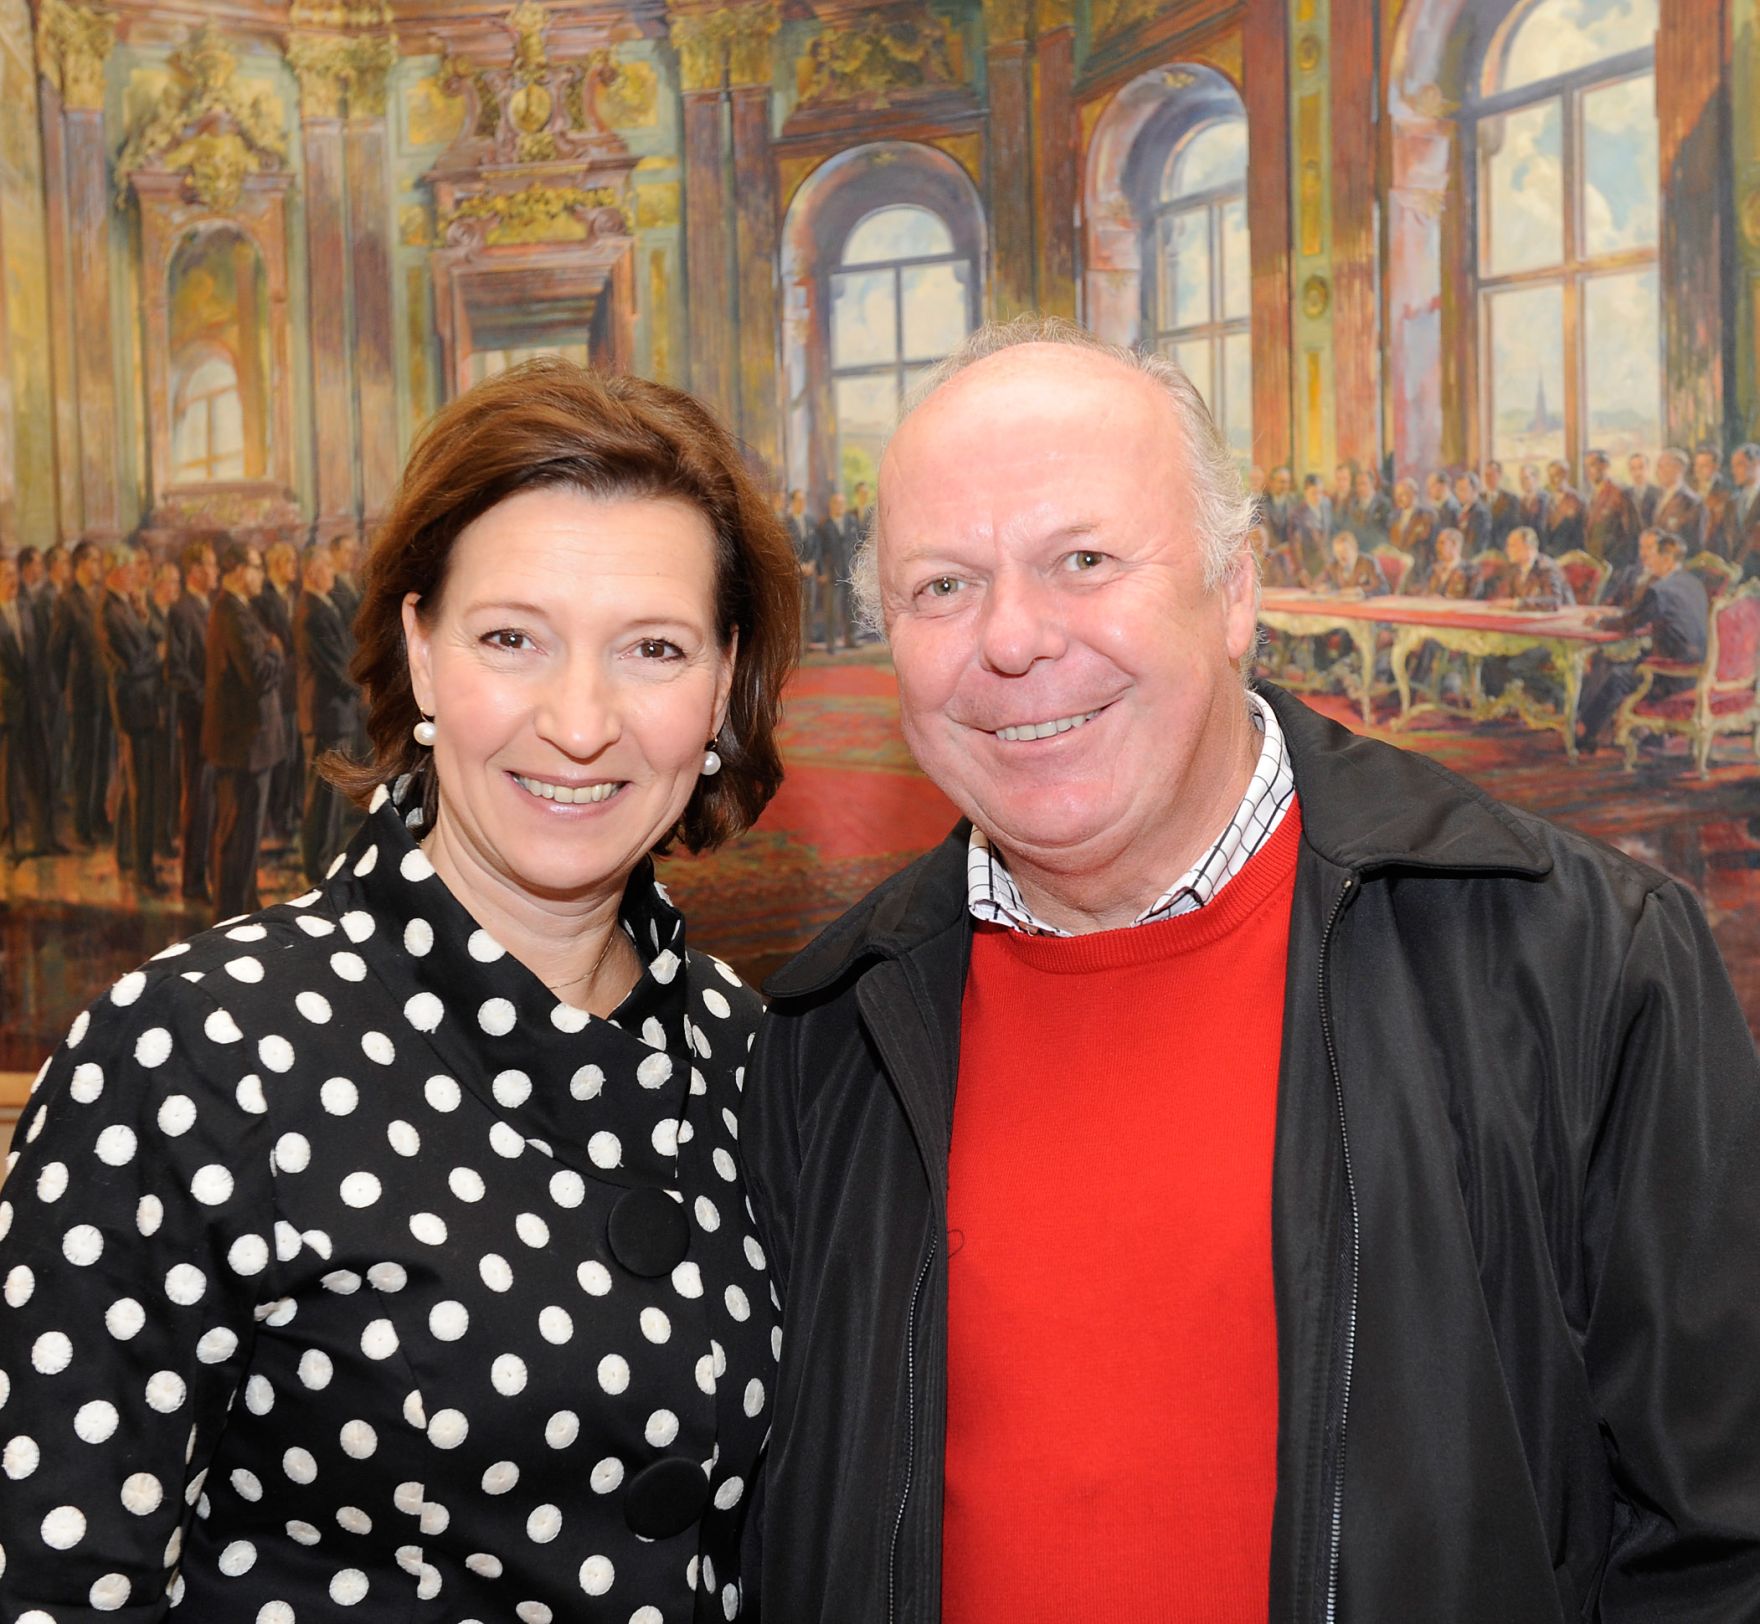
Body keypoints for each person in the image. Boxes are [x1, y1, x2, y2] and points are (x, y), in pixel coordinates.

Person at [741, 318, 1760, 1621]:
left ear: (1233, 592)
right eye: (941, 586)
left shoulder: (1573, 963)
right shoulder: (828, 1033)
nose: (1011, 641)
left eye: (1084, 560)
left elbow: (1724, 1544)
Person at [0, 357, 800, 1621]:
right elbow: (54, 1582)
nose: (580, 719)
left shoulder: (754, 1050)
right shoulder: (192, 1055)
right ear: (421, 654)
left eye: (652, 647)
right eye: (510, 638)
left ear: (721, 682)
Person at [203, 538, 286, 920]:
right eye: (256, 567)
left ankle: (243, 908)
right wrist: (275, 651)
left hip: (250, 745)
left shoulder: (240, 609)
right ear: (237, 570)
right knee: (237, 837)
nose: (261, 576)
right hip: (243, 746)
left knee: (246, 838)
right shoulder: (231, 612)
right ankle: (231, 915)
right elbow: (256, 675)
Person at [1577, 529, 1710, 750]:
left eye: (1654, 556)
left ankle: (1585, 733)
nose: (1650, 561)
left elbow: (1630, 624)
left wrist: (1600, 623)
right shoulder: (1694, 584)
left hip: (1671, 674)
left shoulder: (1660, 590)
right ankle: (1642, 732)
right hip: (1699, 668)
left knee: (1616, 677)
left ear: (1666, 560)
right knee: (1617, 664)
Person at [97, 542, 168, 893]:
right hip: (132, 707)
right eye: (128, 571)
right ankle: (143, 870)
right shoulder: (109, 609)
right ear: (115, 571)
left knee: (135, 783)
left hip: (144, 704)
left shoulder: (130, 603)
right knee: (141, 789)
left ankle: (128, 853)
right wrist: (156, 654)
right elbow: (131, 663)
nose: (133, 577)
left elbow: (156, 636)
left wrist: (144, 616)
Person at [292, 539, 363, 882]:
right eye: (327, 568)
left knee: (333, 794)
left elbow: (347, 648)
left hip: (337, 713)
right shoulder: (311, 610)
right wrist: (360, 684)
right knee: (322, 796)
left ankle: (328, 857)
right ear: (311, 572)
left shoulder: (326, 604)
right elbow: (337, 664)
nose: (334, 573)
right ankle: (317, 865)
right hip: (326, 714)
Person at [50, 537, 112, 846]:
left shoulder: (101, 596)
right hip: (83, 692)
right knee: (84, 760)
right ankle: (82, 824)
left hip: (106, 691)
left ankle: (99, 815)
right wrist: (63, 690)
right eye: (93, 561)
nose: (98, 566)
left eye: (99, 561)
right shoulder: (67, 601)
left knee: (104, 758)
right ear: (79, 565)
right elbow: (57, 650)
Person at [168, 535, 218, 902]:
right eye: (211, 565)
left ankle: (207, 875)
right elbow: (177, 670)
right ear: (196, 570)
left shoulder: (207, 605)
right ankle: (192, 881)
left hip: (213, 721)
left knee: (211, 800)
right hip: (197, 719)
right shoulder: (182, 610)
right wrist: (206, 702)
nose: (216, 571)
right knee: (198, 800)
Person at [0, 551, 54, 859]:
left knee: (38, 771)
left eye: (13, 574)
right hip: (6, 709)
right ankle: (8, 843)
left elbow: (39, 657)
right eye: (5, 575)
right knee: (6, 780)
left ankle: (41, 838)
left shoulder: (26, 608)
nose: (12, 580)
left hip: (33, 704)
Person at [816, 489, 861, 652]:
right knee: (831, 611)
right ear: (830, 506)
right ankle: (831, 644)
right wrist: (821, 572)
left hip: (850, 573)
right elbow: (819, 551)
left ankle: (851, 639)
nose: (839, 506)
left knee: (851, 609)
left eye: (842, 503)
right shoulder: (824, 525)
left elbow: (860, 545)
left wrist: (859, 568)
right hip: (832, 574)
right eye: (836, 503)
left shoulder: (852, 521)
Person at [1583, 446, 1638, 567]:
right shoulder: (1593, 494)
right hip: (1597, 563)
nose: (1587, 471)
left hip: (1615, 564)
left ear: (1604, 466)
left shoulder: (1619, 493)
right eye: (1586, 466)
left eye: (1592, 465)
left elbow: (1632, 533)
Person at [1653, 447, 1704, 552]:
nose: (1658, 471)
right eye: (1658, 466)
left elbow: (1693, 542)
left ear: (1679, 469)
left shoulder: (1691, 501)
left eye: (1663, 466)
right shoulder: (1658, 496)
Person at [1315, 529, 1388, 595]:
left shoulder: (1369, 563)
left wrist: (1361, 591)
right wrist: (1322, 587)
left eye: (1345, 551)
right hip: (1342, 606)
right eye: (1337, 552)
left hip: (1365, 607)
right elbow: (1316, 584)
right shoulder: (1334, 564)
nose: (1341, 555)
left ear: (1354, 549)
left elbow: (1383, 589)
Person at [1693, 445, 1735, 558]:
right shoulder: (1691, 488)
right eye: (1696, 465)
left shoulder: (1727, 491)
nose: (1698, 469)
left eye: (1703, 466)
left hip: (1715, 552)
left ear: (1715, 467)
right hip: (1693, 550)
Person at [1540, 458, 1585, 556]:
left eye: (1556, 475)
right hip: (1550, 557)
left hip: (1570, 558)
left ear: (1565, 475)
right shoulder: (1548, 499)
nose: (1552, 480)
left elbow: (1582, 535)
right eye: (1550, 476)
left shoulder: (1577, 500)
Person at [1731, 442, 1760, 576]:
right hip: (1735, 577)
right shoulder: (1732, 502)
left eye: (1740, 464)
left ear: (1755, 464)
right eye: (1733, 466)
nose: (1734, 471)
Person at [1481, 459, 1519, 548]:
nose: (1489, 478)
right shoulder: (1479, 499)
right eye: (1486, 475)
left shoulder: (1511, 499)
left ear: (1500, 475)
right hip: (1483, 548)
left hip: (1503, 548)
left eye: (1492, 475)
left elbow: (1514, 526)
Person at [1626, 450, 1663, 526]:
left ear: (1648, 469)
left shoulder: (1658, 493)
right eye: (1633, 468)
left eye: (1641, 467)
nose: (1637, 473)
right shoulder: (1625, 494)